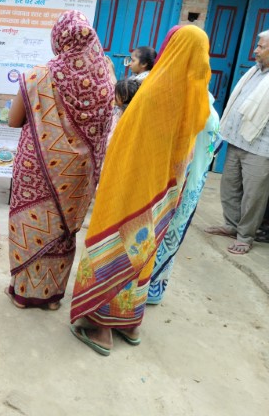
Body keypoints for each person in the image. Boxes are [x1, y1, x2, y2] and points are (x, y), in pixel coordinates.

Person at [69, 25, 212, 355]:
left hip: (131, 189)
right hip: (164, 193)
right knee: (143, 250)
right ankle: (130, 323)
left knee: (117, 246)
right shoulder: (195, 97)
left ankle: (101, 328)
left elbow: (125, 144)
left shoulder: (153, 92)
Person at [5, 10, 114, 310]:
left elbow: (13, 121)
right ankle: (52, 296)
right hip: (77, 175)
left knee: (32, 224)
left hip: (37, 169)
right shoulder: (106, 79)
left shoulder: (39, 76)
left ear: (59, 39)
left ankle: (23, 292)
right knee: (63, 231)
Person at [148, 91, 220, 304]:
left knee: (159, 231)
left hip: (178, 184)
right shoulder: (209, 109)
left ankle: (147, 288)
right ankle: (154, 289)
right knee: (169, 232)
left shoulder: (193, 109)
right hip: (190, 185)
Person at [205, 29, 269, 255]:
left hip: (261, 148)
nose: (255, 50)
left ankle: (245, 236)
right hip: (237, 140)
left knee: (253, 196)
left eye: (261, 46)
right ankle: (232, 226)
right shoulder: (254, 71)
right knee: (229, 186)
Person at [106, 78, 139, 147]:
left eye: (115, 93)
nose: (113, 95)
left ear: (123, 97)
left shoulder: (122, 112)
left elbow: (113, 134)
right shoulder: (133, 109)